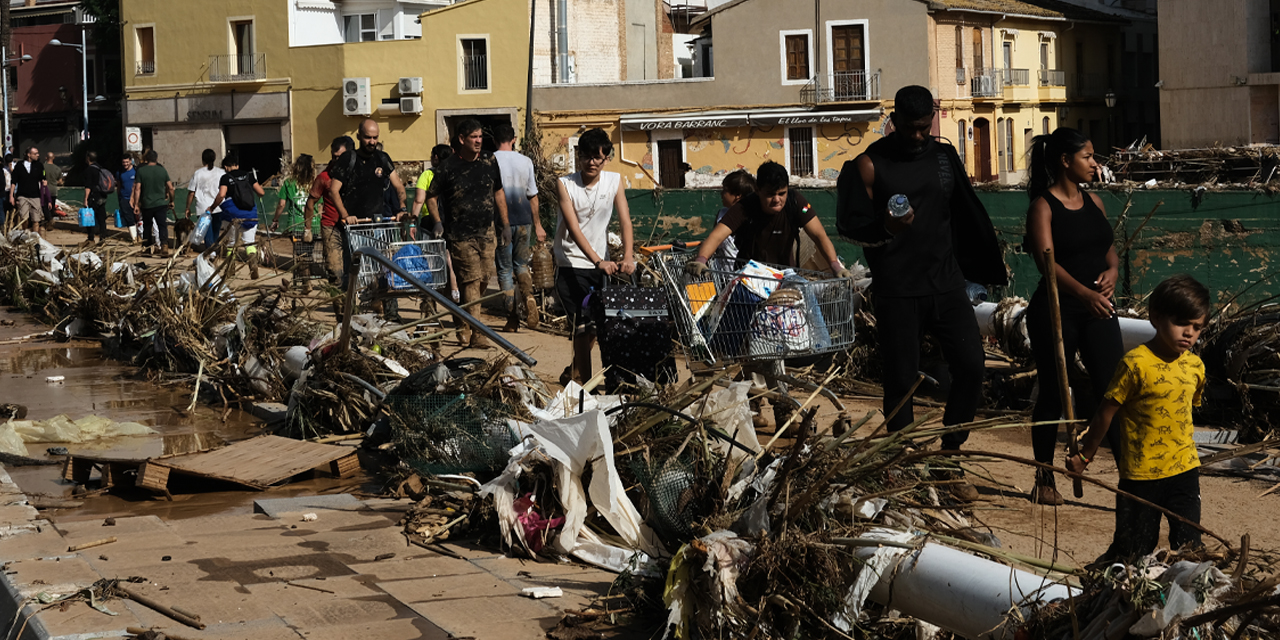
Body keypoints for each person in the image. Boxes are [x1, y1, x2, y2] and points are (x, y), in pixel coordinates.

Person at [835, 85, 1007, 502]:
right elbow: (849, 224)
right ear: (894, 121)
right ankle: (903, 459)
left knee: (971, 366)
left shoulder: (944, 156)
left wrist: (984, 262)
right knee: (901, 381)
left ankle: (949, 457)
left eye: (925, 126)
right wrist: (886, 230)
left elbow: (963, 210)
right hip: (897, 291)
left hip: (947, 285)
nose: (918, 135)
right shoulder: (868, 165)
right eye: (910, 128)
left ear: (934, 117)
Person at [1068, 274, 1210, 561]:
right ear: (1156, 318)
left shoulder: (1195, 366)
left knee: (1189, 547)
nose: (1189, 334)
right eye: (1182, 324)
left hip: (1184, 470)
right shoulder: (1135, 364)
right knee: (1133, 549)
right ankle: (1097, 588)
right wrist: (1084, 457)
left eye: (1197, 327)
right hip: (1141, 476)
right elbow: (1105, 414)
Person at [1023, 128, 1124, 506]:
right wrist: (1083, 293)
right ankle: (1045, 477)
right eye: (1088, 157)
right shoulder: (1043, 207)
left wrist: (1112, 273)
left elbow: (1109, 251)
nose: (1095, 164)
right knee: (1053, 392)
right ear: (1066, 161)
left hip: (1100, 309)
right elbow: (1047, 265)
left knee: (1111, 392)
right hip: (1057, 309)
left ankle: (1129, 480)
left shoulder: (1095, 202)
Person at [551, 127, 635, 383]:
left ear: (606, 158)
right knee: (581, 327)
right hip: (571, 263)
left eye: (598, 157)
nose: (592, 162)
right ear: (579, 157)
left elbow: (625, 220)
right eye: (587, 156)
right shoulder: (565, 184)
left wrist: (628, 255)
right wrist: (598, 260)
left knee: (596, 328)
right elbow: (574, 228)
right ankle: (586, 387)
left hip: (601, 266)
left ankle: (574, 373)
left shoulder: (614, 181)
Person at [427, 119, 509, 348]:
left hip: (487, 231)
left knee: (483, 279)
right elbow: (431, 197)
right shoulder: (448, 167)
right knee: (471, 280)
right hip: (460, 235)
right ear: (462, 139)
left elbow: (499, 192)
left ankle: (462, 317)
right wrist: (437, 222)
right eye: (473, 137)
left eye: (480, 136)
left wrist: (506, 224)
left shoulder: (489, 160)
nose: (478, 141)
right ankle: (478, 332)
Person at [686, 161, 846, 274]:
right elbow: (716, 236)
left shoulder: (795, 202)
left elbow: (819, 235)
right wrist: (701, 259)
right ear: (757, 190)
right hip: (750, 276)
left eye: (782, 193)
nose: (777, 200)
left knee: (809, 310)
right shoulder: (745, 207)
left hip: (785, 276)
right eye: (770, 194)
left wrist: (835, 266)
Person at [328, 119, 409, 320]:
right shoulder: (348, 159)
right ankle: (351, 316)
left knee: (385, 270)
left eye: (375, 137)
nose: (372, 141)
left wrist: (402, 209)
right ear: (359, 137)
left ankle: (391, 314)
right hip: (355, 228)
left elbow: (399, 186)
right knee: (354, 273)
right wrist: (346, 216)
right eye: (367, 137)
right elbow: (334, 190)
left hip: (379, 224)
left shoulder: (382, 159)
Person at [493, 123, 545, 331]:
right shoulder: (526, 161)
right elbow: (533, 195)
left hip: (501, 222)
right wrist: (538, 225)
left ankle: (512, 317)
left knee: (505, 270)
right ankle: (529, 297)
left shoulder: (490, 160)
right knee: (521, 265)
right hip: (524, 220)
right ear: (513, 139)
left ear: (494, 140)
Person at [208, 151, 266, 279]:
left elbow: (222, 195)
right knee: (249, 242)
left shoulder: (226, 178)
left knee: (231, 243)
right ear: (237, 165)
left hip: (232, 214)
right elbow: (261, 192)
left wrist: (212, 207)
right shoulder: (248, 175)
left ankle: (230, 269)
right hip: (250, 213)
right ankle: (253, 265)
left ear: (227, 167)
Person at [305, 136, 354, 284]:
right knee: (335, 271)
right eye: (334, 156)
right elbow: (310, 203)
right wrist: (307, 229)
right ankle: (339, 305)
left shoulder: (357, 175)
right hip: (331, 227)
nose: (336, 160)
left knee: (357, 270)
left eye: (340, 157)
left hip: (353, 227)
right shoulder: (324, 177)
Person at [132, 149, 175, 256]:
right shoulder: (162, 170)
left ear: (146, 159)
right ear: (156, 159)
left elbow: (137, 189)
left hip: (147, 204)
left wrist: (136, 204)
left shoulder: (141, 171)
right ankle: (164, 246)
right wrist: (171, 200)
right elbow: (170, 188)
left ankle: (146, 248)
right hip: (161, 204)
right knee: (162, 225)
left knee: (147, 226)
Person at [270, 153, 319, 238]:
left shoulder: (289, 182)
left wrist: (275, 220)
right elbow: (320, 206)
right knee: (310, 250)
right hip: (313, 225)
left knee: (299, 250)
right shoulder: (316, 183)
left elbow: (281, 204)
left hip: (295, 224)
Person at [711, 170, 755, 260]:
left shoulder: (750, 217)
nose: (721, 194)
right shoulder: (721, 214)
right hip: (722, 270)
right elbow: (714, 240)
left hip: (744, 269)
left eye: (725, 190)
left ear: (738, 195)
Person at [185, 149, 224, 248]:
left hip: (203, 209)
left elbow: (191, 193)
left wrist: (188, 208)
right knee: (216, 233)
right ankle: (215, 252)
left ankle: (210, 254)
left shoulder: (198, 173)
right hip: (218, 207)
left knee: (207, 233)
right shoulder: (221, 172)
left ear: (203, 160)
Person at [9, 146, 46, 235]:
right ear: (29, 155)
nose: (38, 155)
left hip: (35, 196)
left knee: (36, 219)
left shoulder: (39, 165)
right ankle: (26, 234)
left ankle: (35, 237)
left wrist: (44, 181)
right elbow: (13, 181)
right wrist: (11, 196)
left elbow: (43, 176)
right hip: (23, 196)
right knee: (24, 218)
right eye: (35, 153)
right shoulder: (19, 165)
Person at [82, 151, 111, 245]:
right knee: (102, 218)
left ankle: (91, 238)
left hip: (94, 197)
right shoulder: (100, 168)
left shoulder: (89, 170)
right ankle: (103, 238)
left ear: (88, 158)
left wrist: (86, 199)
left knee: (89, 217)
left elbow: (88, 186)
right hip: (102, 196)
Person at [118, 154, 139, 243]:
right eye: (123, 162)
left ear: (130, 161)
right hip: (124, 198)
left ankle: (140, 237)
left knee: (138, 218)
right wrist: (119, 198)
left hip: (136, 199)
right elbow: (119, 186)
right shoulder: (119, 173)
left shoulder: (136, 171)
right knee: (129, 219)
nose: (125, 164)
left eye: (127, 162)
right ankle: (134, 239)